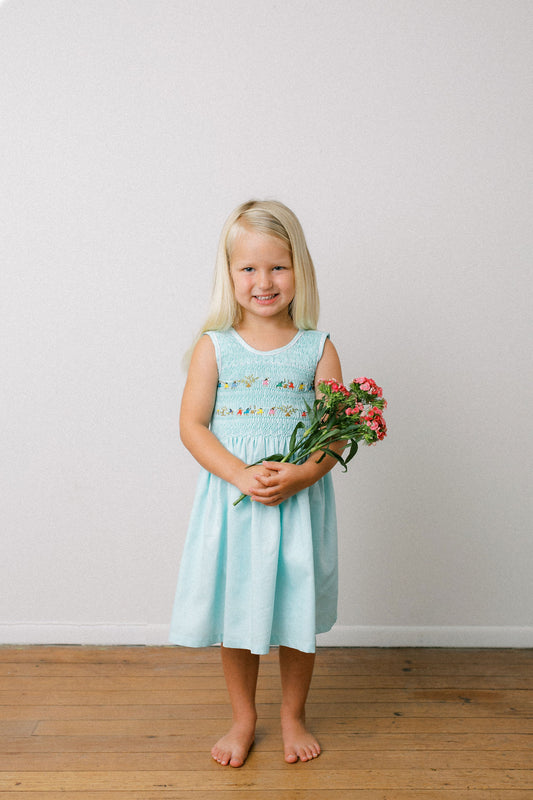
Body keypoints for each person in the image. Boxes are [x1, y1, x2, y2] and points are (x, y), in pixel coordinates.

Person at [169, 199, 343, 767]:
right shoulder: (214, 347)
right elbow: (192, 426)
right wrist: (240, 473)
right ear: (229, 274)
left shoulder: (317, 349)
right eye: (249, 268)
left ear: (300, 270)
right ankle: (244, 716)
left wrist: (301, 475)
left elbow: (336, 433)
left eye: (278, 267)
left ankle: (293, 714)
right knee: (238, 607)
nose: (264, 281)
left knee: (294, 608)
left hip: (295, 503)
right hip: (236, 505)